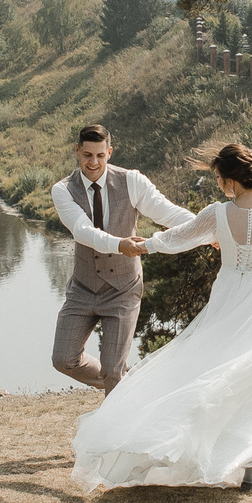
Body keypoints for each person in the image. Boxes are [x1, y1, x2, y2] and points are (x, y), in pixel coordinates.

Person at [72, 142, 252, 493]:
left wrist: (145, 245)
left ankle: (241, 459)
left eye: (220, 180)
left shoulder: (218, 214)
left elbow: (179, 238)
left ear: (229, 181)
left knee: (221, 368)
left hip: (229, 297)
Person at [48, 123, 192, 394]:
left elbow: (168, 214)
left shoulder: (132, 181)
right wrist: (120, 244)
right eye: (87, 155)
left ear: (110, 153)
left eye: (100, 155)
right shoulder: (63, 190)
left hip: (123, 288)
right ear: (76, 151)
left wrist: (208, 229)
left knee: (113, 371)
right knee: (63, 360)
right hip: (83, 287)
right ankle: (131, 384)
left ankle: (115, 419)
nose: (93, 162)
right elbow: (83, 231)